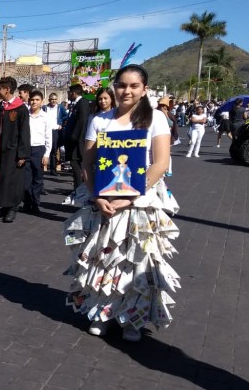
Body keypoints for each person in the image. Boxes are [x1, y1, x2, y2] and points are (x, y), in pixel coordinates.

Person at [64, 64, 178, 343]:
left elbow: (160, 163)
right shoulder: (100, 120)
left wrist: (130, 197)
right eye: (122, 85)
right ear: (114, 87)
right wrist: (98, 195)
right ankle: (100, 313)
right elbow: (88, 164)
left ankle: (133, 320)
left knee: (137, 261)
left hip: (141, 201)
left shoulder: (155, 120)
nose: (126, 91)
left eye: (134, 86)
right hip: (103, 200)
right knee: (103, 258)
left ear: (144, 90)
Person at [0, 77, 30, 223]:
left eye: (0, 88)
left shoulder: (20, 109)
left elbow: (24, 132)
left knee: (12, 181)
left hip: (13, 152)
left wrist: (23, 154)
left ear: (7, 89)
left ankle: (12, 208)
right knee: (2, 180)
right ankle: (4, 208)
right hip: (0, 151)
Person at [62, 83, 91, 205]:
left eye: (69, 92)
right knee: (76, 167)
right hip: (73, 142)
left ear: (73, 93)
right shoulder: (75, 105)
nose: (68, 95)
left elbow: (82, 122)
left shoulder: (83, 103)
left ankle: (79, 191)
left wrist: (74, 137)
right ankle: (78, 190)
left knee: (77, 167)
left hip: (78, 142)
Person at [22, 90, 51, 215]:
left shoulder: (45, 117)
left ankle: (35, 204)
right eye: (32, 100)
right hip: (26, 150)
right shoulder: (24, 115)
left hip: (39, 150)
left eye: (37, 100)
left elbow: (49, 137)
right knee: (26, 180)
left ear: (42, 102)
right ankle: (27, 203)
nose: (34, 102)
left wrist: (47, 154)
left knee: (38, 179)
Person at [43, 93, 68, 174]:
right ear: (49, 100)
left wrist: (60, 123)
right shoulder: (45, 108)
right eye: (52, 99)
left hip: (55, 131)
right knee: (45, 148)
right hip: (46, 131)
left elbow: (65, 116)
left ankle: (53, 169)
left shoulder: (60, 107)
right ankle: (43, 167)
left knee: (54, 150)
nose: (53, 101)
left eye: (55, 99)